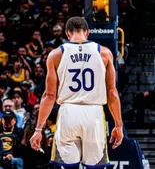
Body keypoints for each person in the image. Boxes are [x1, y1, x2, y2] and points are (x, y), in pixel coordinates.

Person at [30, 16, 123, 168]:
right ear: (87, 32)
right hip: (94, 114)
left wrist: (39, 129)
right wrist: (118, 125)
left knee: (67, 166)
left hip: (68, 112)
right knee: (96, 166)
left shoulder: (55, 54)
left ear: (67, 33)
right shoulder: (104, 53)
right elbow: (112, 92)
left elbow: (49, 95)